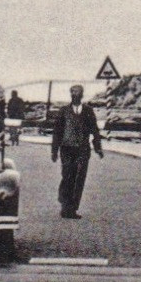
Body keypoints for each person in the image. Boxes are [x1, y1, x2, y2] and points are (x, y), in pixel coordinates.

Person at [49, 84, 103, 220]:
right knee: (67, 176)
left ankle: (72, 208)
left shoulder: (88, 111)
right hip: (66, 149)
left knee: (79, 178)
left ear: (82, 95)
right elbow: (57, 132)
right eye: (73, 92)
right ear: (70, 94)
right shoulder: (63, 111)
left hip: (83, 149)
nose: (75, 95)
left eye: (78, 92)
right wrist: (54, 151)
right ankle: (64, 204)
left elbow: (95, 130)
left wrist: (98, 148)